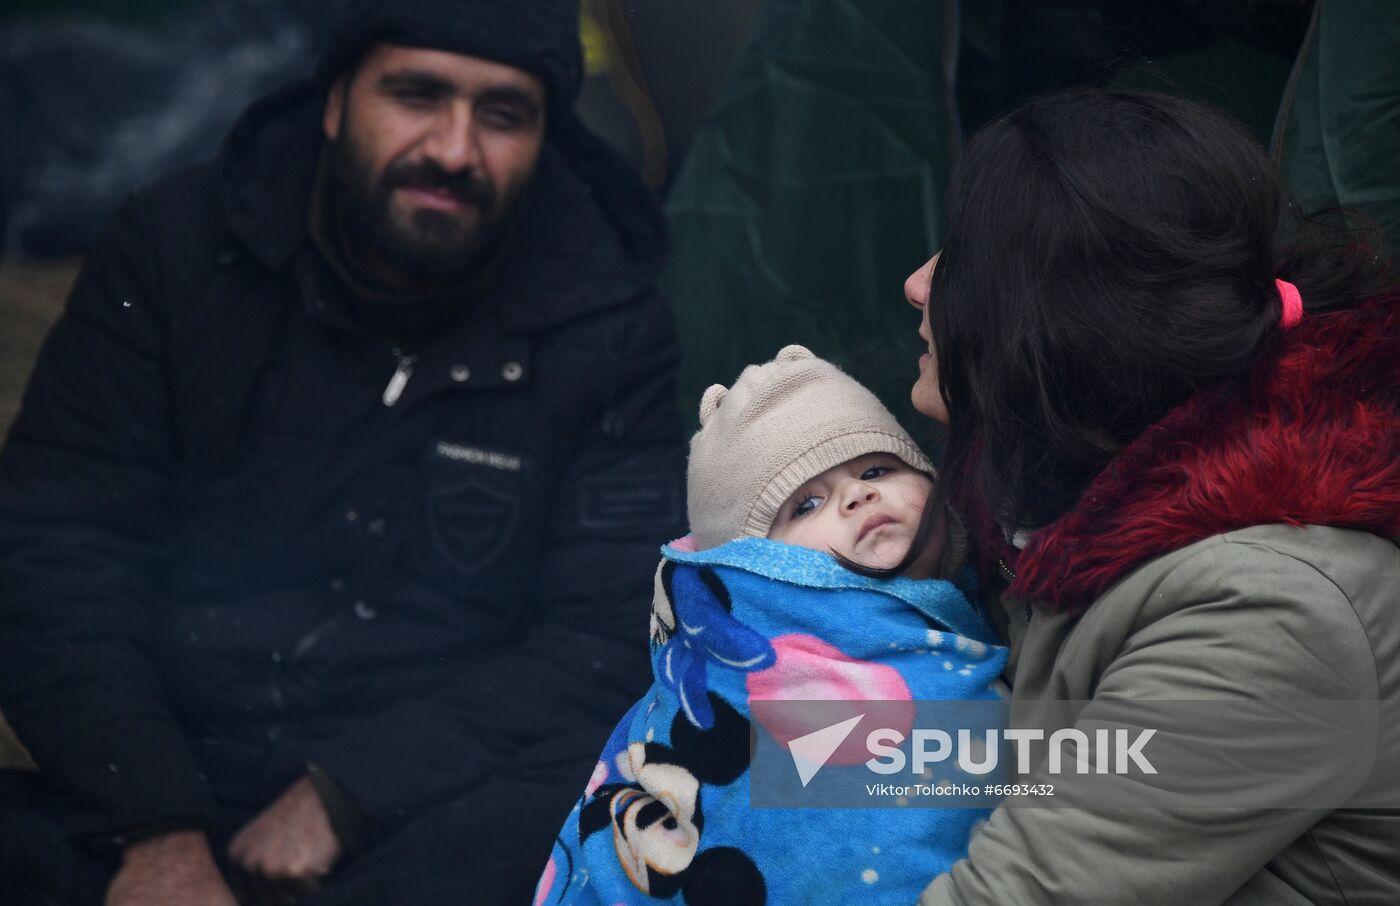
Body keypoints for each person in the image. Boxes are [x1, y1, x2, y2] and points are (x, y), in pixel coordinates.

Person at [0, 1, 685, 904]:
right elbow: (57, 548)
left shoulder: (610, 321)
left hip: (437, 809)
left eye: (503, 115)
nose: (453, 148)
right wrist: (154, 827)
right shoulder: (174, 248)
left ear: (548, 135)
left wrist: (346, 794)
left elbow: (604, 634)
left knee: (634, 807)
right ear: (333, 102)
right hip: (159, 774)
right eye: (414, 95)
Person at [899, 89, 1400, 903]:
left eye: (967, 259)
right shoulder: (1076, 512)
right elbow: (1038, 753)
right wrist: (736, 742)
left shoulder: (1270, 612)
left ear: (1064, 326)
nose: (920, 284)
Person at [535, 346, 1008, 905]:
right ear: (757, 564)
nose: (858, 495)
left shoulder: (1000, 598)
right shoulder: (759, 683)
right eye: (805, 505)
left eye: (877, 469)